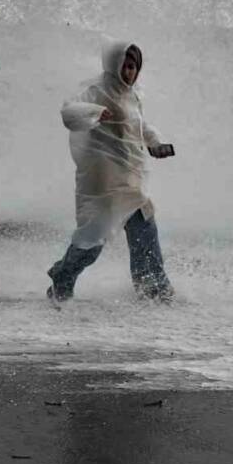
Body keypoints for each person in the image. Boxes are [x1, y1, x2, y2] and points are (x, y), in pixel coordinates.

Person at [47, 39, 176, 302]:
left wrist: (156, 143)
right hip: (103, 182)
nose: (129, 72)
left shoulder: (133, 94)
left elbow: (139, 125)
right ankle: (62, 277)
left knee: (145, 229)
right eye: (125, 66)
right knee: (92, 241)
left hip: (131, 178)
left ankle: (154, 290)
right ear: (114, 64)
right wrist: (94, 111)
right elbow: (69, 112)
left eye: (133, 67)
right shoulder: (97, 89)